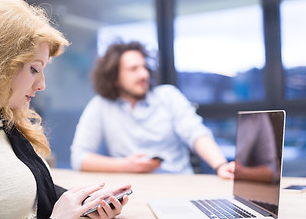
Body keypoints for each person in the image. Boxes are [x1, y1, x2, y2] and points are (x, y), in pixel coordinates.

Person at [0, 0, 130, 219]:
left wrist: (85, 202)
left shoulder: (3, 122)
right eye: (34, 69)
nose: (42, 84)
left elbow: (31, 188)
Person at [70, 41, 234, 178]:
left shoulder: (168, 96)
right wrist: (126, 165)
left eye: (144, 67)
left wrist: (220, 165)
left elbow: (196, 134)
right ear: (115, 79)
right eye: (133, 69)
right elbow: (79, 158)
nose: (144, 74)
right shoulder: (101, 105)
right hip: (133, 189)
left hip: (179, 183)